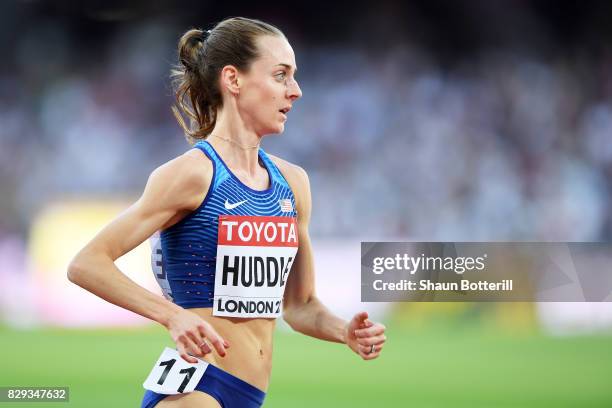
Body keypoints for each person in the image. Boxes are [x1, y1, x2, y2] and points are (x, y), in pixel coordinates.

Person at [67, 16, 386, 408]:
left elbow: (299, 306)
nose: (297, 91)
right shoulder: (191, 175)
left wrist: (344, 332)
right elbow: (87, 263)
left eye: (294, 76)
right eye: (281, 75)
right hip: (196, 392)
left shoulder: (293, 184)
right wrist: (171, 316)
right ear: (233, 80)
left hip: (248, 395)